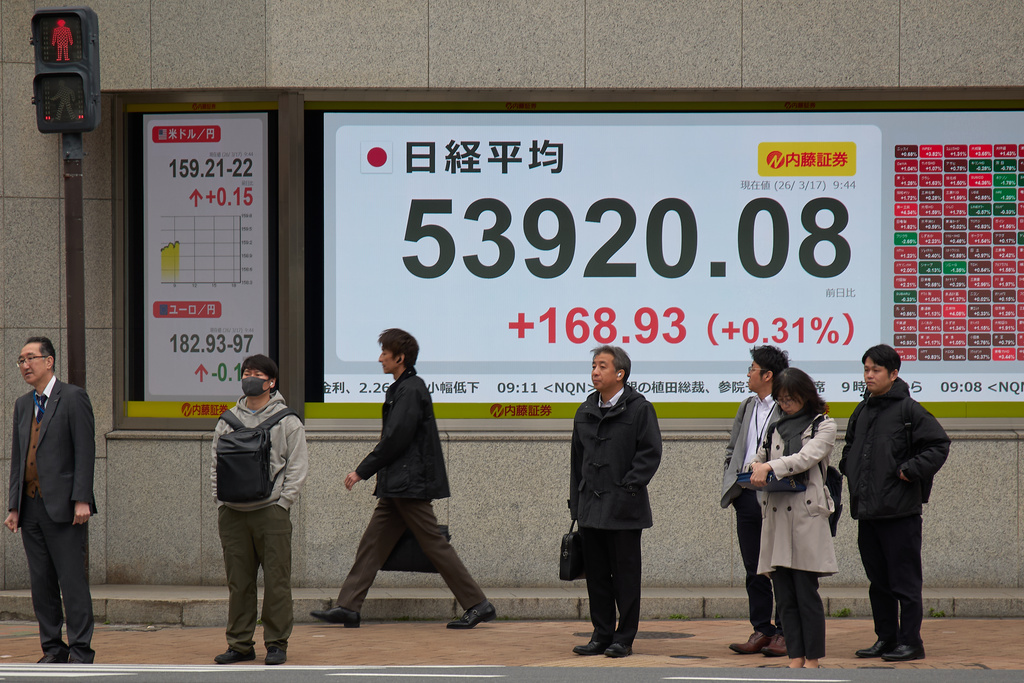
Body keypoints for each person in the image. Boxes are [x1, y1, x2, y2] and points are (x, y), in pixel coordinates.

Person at [311, 329, 496, 630]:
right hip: (398, 484)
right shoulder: (402, 388)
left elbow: (396, 439)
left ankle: (478, 604)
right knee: (372, 543)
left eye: (385, 352)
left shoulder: (411, 389)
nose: (380, 357)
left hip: (409, 485)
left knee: (435, 545)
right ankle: (348, 607)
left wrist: (362, 471)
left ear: (401, 357)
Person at [840, 344, 949, 662]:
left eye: (875, 370)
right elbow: (850, 448)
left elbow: (938, 444)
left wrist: (910, 470)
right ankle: (886, 639)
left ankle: (911, 642)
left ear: (894, 374)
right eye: (866, 369)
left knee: (905, 582)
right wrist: (850, 467)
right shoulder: (861, 411)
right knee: (879, 583)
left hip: (900, 512)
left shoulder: (909, 410)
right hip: (868, 513)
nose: (869, 375)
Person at [5, 336, 97, 664]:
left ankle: (81, 649)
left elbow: (86, 452)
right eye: (20, 360)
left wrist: (82, 499)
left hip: (65, 507)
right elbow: (18, 458)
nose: (25, 365)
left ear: (49, 361)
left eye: (30, 358)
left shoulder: (72, 398)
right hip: (30, 507)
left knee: (71, 580)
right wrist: (14, 506)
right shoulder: (22, 404)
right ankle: (53, 649)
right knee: (41, 583)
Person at [211, 354, 308, 666]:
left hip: (271, 512)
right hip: (232, 513)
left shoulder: (288, 421)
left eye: (257, 373)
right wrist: (220, 499)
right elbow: (215, 463)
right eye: (247, 372)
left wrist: (283, 503)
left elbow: (297, 466)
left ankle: (277, 643)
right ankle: (239, 644)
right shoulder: (227, 420)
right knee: (239, 582)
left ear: (271, 382)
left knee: (277, 580)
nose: (251, 377)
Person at [570, 346, 662, 659]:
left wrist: (628, 487)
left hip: (624, 508)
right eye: (593, 366)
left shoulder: (639, 409)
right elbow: (576, 461)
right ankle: (601, 634)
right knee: (596, 575)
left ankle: (624, 638)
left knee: (625, 576)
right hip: (591, 508)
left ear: (619, 373)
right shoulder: (584, 410)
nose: (595, 371)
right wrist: (576, 503)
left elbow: (650, 453)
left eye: (602, 366)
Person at [748, 367, 837, 669]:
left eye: (791, 399)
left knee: (805, 593)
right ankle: (795, 657)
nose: (786, 405)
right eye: (781, 400)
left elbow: (805, 458)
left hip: (806, 515)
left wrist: (770, 467)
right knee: (784, 595)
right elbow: (758, 457)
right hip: (776, 515)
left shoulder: (823, 425)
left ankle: (812, 659)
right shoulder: (775, 426)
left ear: (806, 396)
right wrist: (754, 468)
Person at [721, 345, 789, 657]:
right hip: (746, 495)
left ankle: (786, 632)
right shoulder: (748, 405)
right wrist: (732, 477)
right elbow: (734, 445)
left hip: (775, 497)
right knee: (754, 568)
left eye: (752, 369)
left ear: (767, 374)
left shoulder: (788, 406)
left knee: (780, 567)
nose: (747, 374)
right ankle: (763, 629)